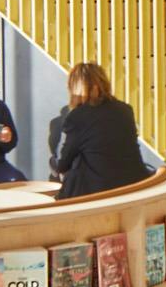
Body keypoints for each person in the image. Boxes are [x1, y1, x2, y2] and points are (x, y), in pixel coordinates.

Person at [50, 62, 147, 200]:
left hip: (100, 192)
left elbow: (61, 164)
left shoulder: (77, 117)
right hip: (134, 184)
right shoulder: (125, 110)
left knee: (64, 164)